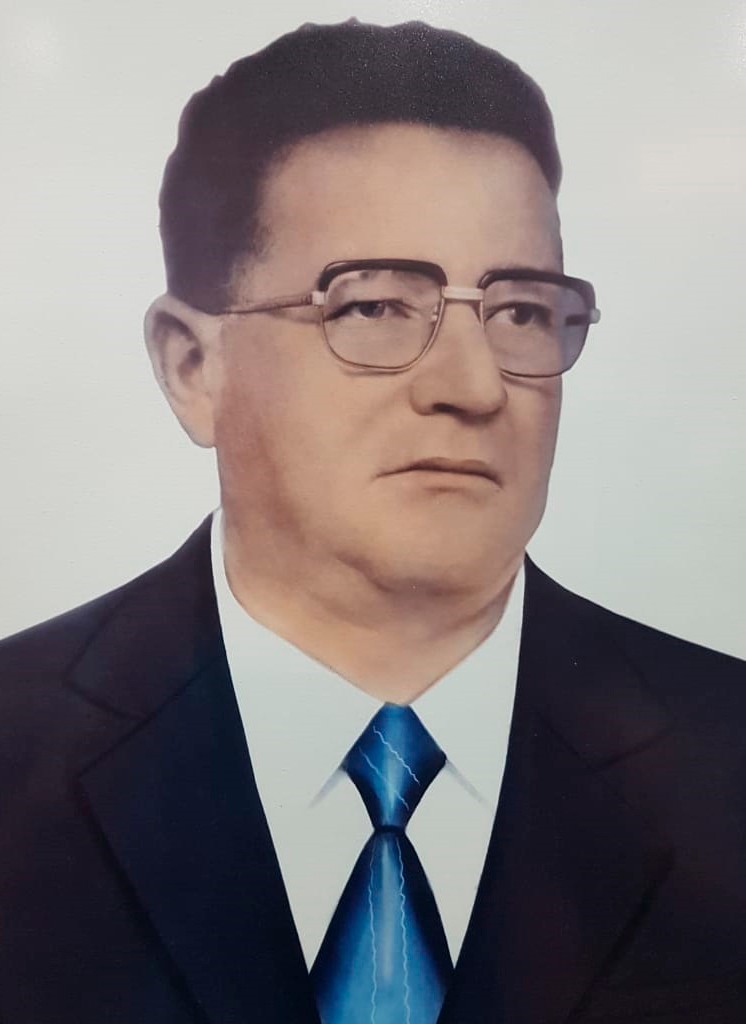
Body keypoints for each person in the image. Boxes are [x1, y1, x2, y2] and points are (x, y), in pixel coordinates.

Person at [1, 18, 745, 1024]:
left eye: (521, 312)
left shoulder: (724, 758)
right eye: (374, 307)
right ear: (192, 366)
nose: (474, 386)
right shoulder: (17, 746)